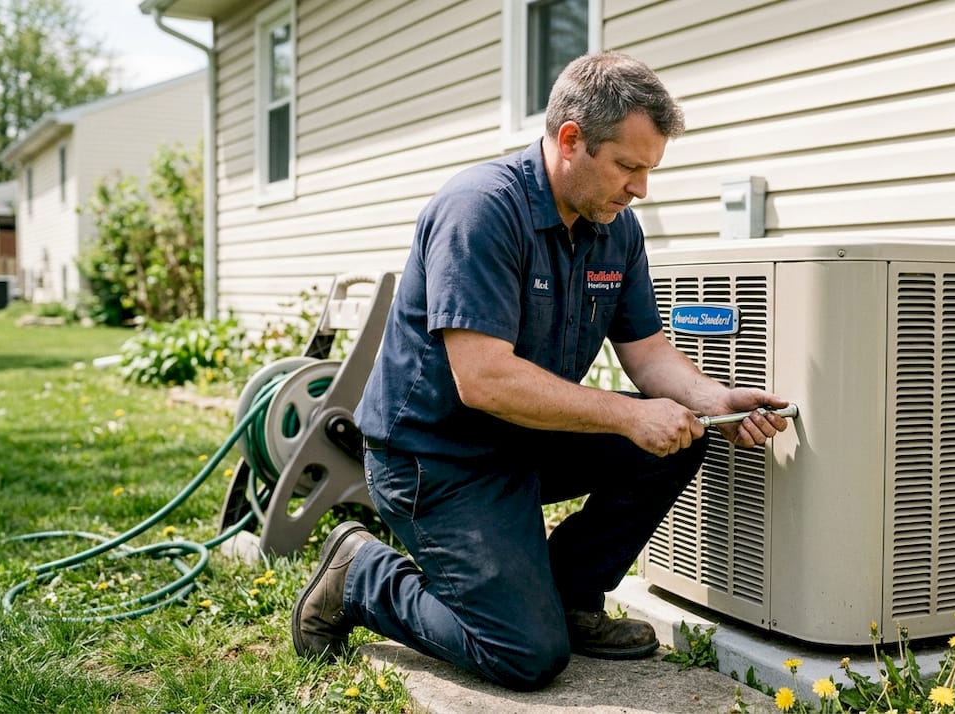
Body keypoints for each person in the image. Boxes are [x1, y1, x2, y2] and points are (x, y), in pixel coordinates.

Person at [291, 50, 791, 692]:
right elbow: (486, 380)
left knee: (678, 438)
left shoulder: (617, 229)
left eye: (649, 169)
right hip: (436, 459)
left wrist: (715, 401)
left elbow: (648, 353)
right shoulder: (482, 211)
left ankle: (571, 597)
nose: (640, 188)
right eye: (628, 166)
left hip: (524, 438)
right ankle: (360, 575)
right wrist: (631, 414)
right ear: (570, 140)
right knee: (524, 655)